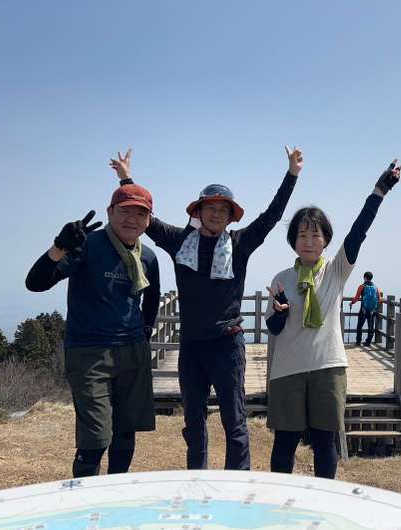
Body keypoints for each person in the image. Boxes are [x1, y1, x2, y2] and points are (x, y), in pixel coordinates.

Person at [110, 146, 303, 470]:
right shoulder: (179, 241)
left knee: (234, 420)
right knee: (193, 422)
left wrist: (292, 174)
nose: (216, 214)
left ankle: (236, 482)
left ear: (231, 216)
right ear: (198, 212)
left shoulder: (240, 243)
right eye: (210, 208)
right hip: (192, 346)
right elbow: (146, 219)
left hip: (228, 345)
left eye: (223, 209)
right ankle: (196, 478)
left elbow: (271, 216)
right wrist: (126, 179)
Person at [264, 159, 401, 479]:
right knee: (284, 444)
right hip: (287, 371)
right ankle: (279, 497)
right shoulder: (282, 279)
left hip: (328, 368)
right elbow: (273, 328)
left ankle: (322, 499)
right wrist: (281, 311)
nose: (308, 241)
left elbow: (359, 231)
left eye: (315, 235)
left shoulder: (336, 270)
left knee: (324, 442)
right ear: (293, 241)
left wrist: (380, 190)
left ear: (326, 239)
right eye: (302, 235)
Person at [25, 183, 160, 478]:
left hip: (133, 351)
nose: (132, 219)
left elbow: (152, 296)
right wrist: (59, 248)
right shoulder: (87, 245)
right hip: (89, 352)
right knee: (95, 438)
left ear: (149, 220)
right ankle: (84, 497)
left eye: (141, 213)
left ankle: (116, 490)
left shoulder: (148, 257)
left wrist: (145, 331)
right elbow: (35, 283)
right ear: (110, 212)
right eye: (124, 211)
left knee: (125, 431)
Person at [350, 271, 384, 346]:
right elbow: (380, 299)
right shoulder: (376, 287)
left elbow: (356, 298)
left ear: (365, 277)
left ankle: (358, 341)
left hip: (363, 309)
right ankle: (368, 342)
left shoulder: (362, 286)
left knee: (359, 326)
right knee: (370, 326)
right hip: (372, 310)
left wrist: (352, 303)